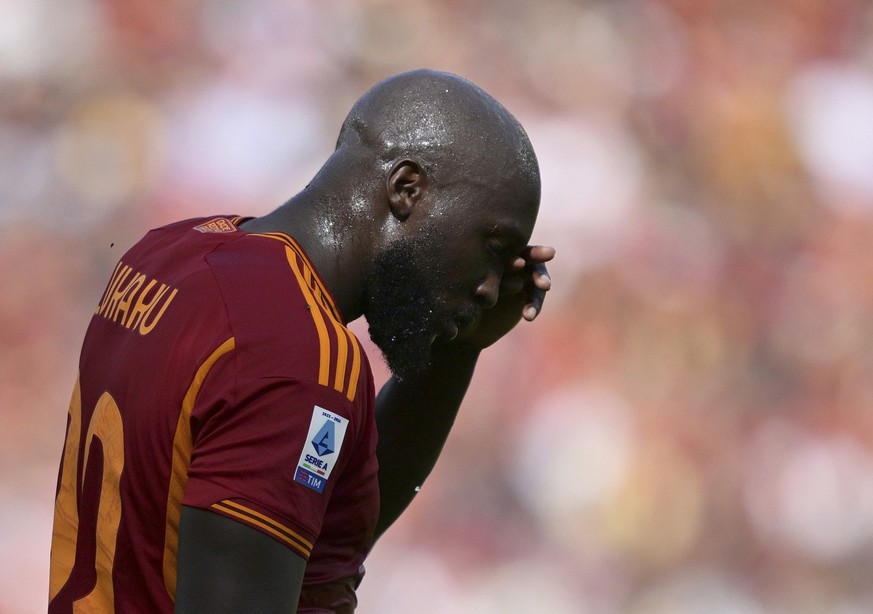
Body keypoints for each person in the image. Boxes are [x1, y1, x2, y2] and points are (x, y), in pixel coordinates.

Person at [49, 68, 555, 613]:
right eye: (492, 246)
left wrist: (458, 349)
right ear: (407, 189)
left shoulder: (167, 252)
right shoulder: (296, 349)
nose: (488, 287)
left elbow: (322, 520)